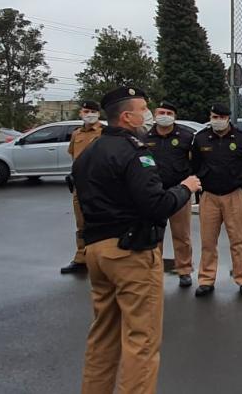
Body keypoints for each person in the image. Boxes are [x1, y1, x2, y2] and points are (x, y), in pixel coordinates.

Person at [72, 86, 201, 394]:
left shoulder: (89, 153)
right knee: (141, 340)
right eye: (143, 109)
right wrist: (185, 188)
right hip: (131, 254)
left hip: (97, 251)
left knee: (103, 336)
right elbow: (156, 204)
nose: (149, 114)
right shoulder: (134, 152)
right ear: (127, 117)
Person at [191, 104, 242, 297]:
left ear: (228, 118)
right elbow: (194, 163)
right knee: (208, 241)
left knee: (238, 240)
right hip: (209, 195)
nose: (217, 120)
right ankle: (206, 280)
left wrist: (238, 179)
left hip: (233, 194)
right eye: (214, 117)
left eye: (221, 117)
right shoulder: (201, 138)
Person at [145, 101, 195, 287]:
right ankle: (154, 270)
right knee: (154, 235)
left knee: (182, 235)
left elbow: (194, 162)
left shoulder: (186, 137)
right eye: (161, 112)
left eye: (168, 113)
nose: (164, 116)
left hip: (179, 191)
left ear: (174, 116)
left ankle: (184, 270)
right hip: (154, 193)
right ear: (155, 114)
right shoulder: (145, 137)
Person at [61, 100, 104, 275]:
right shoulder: (76, 134)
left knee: (101, 222)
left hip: (99, 185)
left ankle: (101, 260)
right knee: (81, 224)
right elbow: (74, 156)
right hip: (80, 185)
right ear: (80, 113)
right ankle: (81, 258)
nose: (89, 114)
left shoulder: (104, 133)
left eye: (93, 111)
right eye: (86, 111)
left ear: (99, 114)